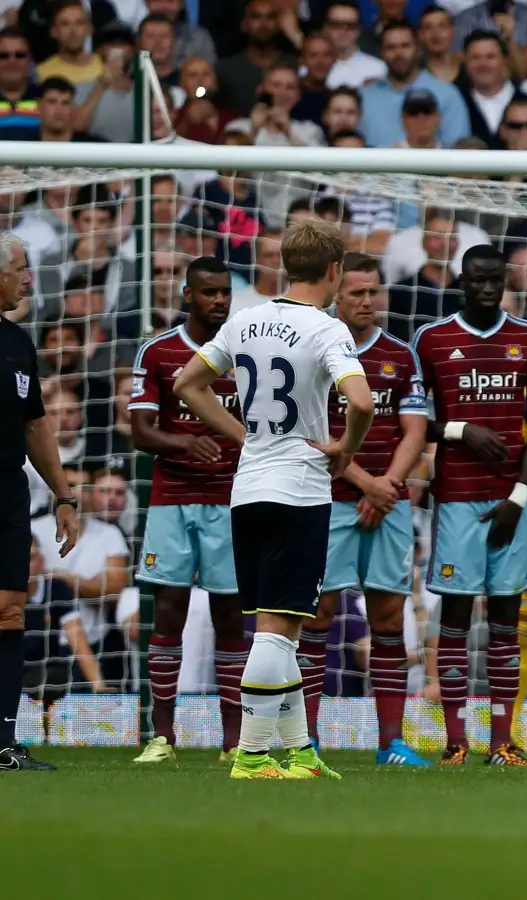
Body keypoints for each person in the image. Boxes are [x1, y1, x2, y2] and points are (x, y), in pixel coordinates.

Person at [172, 218, 371, 780]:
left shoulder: (245, 320)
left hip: (248, 489)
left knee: (283, 628)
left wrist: (244, 437)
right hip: (299, 490)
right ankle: (253, 755)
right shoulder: (327, 330)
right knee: (275, 628)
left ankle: (300, 751)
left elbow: (187, 383)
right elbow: (361, 401)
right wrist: (344, 451)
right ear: (334, 271)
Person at [412, 245, 527, 766]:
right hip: (457, 499)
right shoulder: (432, 339)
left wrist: (519, 494)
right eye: (478, 280)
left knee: (508, 621)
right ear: (461, 281)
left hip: (512, 502)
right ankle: (455, 741)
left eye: (496, 280)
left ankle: (502, 742)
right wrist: (462, 430)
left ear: (506, 280)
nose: (488, 288)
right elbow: (413, 419)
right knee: (456, 619)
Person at [298, 254, 429, 766]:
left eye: (374, 292)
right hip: (326, 499)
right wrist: (365, 483)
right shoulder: (314, 350)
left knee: (389, 617)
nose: (367, 302)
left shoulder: (400, 354)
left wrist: (388, 487)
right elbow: (308, 431)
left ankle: (391, 743)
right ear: (337, 296)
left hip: (388, 501)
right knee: (318, 615)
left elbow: (414, 429)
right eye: (356, 293)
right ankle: (305, 736)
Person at [127, 257, 249, 765]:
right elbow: (139, 430)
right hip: (172, 500)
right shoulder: (158, 352)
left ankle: (233, 741)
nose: (218, 300)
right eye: (208, 293)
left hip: (232, 498)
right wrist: (184, 444)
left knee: (230, 616)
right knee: (170, 610)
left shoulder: (247, 352)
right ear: (187, 295)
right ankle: (162, 737)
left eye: (224, 292)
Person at [0, 232, 78, 771]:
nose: (29, 279)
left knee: (9, 611)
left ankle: (3, 742)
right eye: (22, 269)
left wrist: (65, 494)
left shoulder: (17, 341)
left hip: (5, 492)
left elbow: (34, 424)